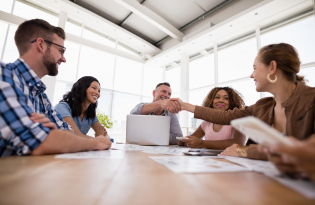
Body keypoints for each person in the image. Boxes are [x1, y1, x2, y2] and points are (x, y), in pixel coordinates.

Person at [171, 43, 315, 160]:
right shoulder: (262, 106)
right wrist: (184, 106)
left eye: (254, 68)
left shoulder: (311, 99)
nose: (251, 75)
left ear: (272, 67)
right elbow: (225, 117)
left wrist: (245, 151)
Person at [0, 19, 111, 157]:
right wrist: (98, 142)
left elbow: (69, 133)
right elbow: (39, 142)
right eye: (60, 51)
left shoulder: (41, 96)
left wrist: (55, 136)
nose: (63, 59)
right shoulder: (3, 76)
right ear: (40, 44)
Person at [178, 87, 247, 149]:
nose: (221, 100)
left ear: (232, 102)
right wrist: (183, 141)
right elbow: (192, 139)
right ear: (211, 101)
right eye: (217, 97)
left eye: (226, 98)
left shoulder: (237, 120)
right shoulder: (206, 123)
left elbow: (238, 144)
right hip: (209, 161)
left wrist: (202, 143)